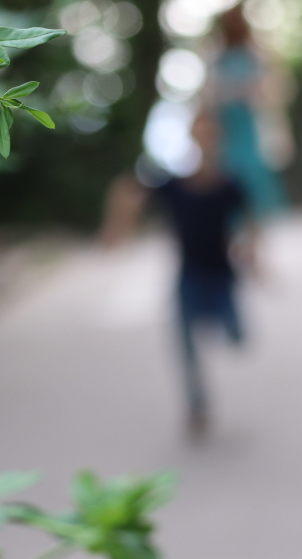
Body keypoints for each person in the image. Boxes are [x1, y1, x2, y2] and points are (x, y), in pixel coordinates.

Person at [101, 111, 253, 438]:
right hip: (189, 278)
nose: (206, 137)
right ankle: (197, 409)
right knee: (185, 348)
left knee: (237, 338)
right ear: (192, 137)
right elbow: (127, 189)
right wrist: (118, 227)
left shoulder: (230, 184)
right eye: (201, 130)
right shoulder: (174, 185)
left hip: (223, 277)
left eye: (211, 131)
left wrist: (252, 254)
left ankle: (216, 318)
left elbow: (250, 219)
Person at [202, 5, 290, 218]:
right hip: (227, 125)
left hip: (252, 123)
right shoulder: (215, 59)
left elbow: (275, 88)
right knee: (229, 170)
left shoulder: (258, 55)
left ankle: (266, 216)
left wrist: (254, 92)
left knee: (256, 171)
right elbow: (209, 94)